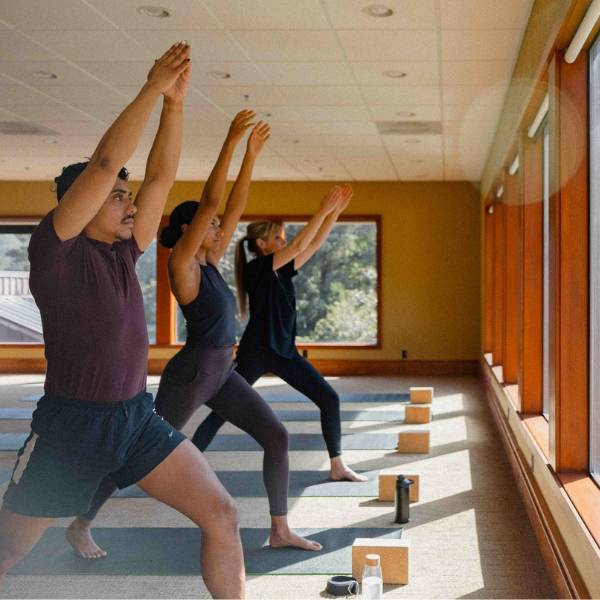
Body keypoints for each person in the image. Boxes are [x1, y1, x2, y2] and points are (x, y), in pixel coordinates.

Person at [0, 42, 245, 599]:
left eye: (127, 198)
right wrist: (150, 89)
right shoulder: (55, 251)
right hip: (69, 429)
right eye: (116, 198)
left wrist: (175, 107)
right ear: (79, 205)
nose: (131, 205)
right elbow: (107, 162)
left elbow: (160, 178)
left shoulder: (122, 250)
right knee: (9, 551)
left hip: (136, 418)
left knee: (222, 514)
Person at [154, 111, 322, 551]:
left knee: (276, 436)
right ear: (189, 230)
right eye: (208, 225)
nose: (218, 226)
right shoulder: (183, 264)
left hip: (220, 370)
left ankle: (279, 529)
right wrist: (229, 141)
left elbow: (233, 207)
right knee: (143, 449)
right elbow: (213, 204)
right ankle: (83, 517)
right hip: (192, 372)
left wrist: (251, 155)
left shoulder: (209, 261)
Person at [194, 183, 368, 483]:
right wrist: (322, 210)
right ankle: (188, 463)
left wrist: (334, 215)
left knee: (329, 399)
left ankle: (337, 464)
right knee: (222, 410)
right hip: (257, 352)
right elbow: (300, 245)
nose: (283, 242)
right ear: (261, 244)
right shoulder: (257, 269)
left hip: (285, 352)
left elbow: (311, 246)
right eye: (277, 237)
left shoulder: (281, 270)